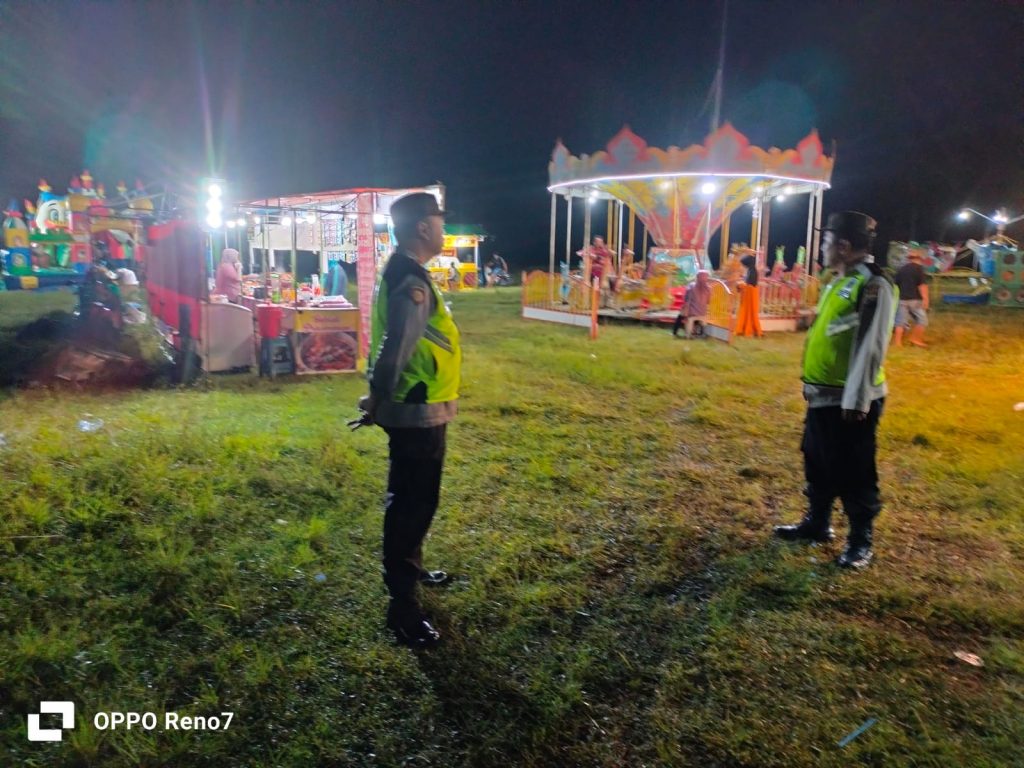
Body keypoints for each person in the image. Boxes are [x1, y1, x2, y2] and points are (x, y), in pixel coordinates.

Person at [349, 193, 461, 648]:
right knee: (412, 503)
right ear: (422, 228)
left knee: (416, 499)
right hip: (416, 409)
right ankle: (402, 606)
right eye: (439, 222)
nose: (443, 230)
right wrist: (377, 397)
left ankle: (411, 572)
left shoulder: (406, 270)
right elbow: (396, 345)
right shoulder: (410, 278)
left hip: (423, 406)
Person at [773, 211, 896, 569]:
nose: (821, 250)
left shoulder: (874, 283)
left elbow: (871, 346)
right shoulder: (838, 280)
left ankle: (860, 540)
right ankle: (817, 523)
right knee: (817, 459)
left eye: (825, 242)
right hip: (823, 396)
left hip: (849, 400)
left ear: (843, 245)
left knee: (854, 469)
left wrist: (857, 399)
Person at [892, 250, 929, 347]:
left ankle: (897, 343)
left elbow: (896, 284)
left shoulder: (901, 269)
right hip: (915, 299)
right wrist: (925, 299)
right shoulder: (919, 269)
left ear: (908, 258)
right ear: (919, 259)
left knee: (900, 322)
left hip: (902, 299)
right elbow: (922, 285)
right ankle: (915, 339)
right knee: (922, 320)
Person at [672, 269, 712, 338]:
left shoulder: (691, 286)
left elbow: (687, 300)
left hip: (691, 311)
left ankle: (675, 332)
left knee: (680, 315)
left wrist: (685, 310)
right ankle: (699, 332)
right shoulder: (709, 288)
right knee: (697, 315)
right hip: (703, 312)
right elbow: (708, 301)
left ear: (697, 277)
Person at [734, 254, 763, 337]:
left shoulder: (752, 271)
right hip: (749, 295)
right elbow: (748, 282)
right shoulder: (751, 270)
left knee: (749, 313)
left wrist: (739, 284)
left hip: (750, 296)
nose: (744, 266)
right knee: (748, 312)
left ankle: (748, 329)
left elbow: (749, 285)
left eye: (744, 265)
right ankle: (744, 328)